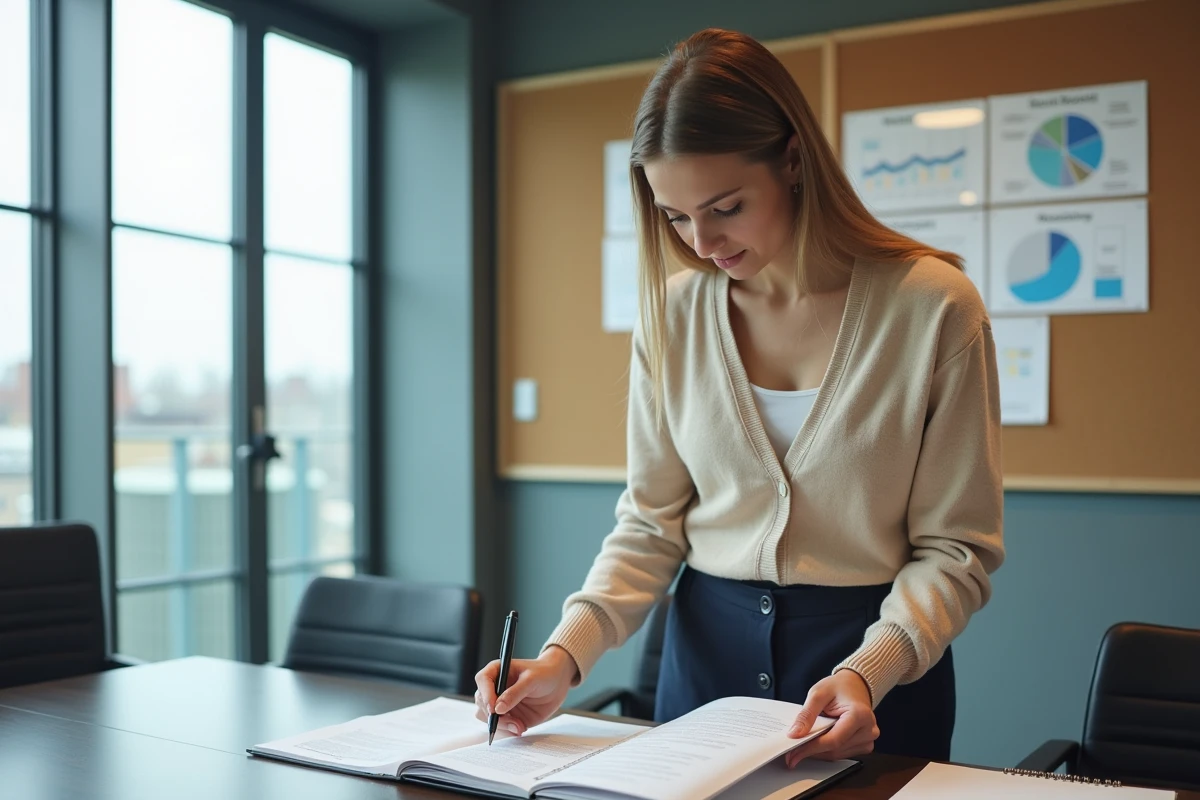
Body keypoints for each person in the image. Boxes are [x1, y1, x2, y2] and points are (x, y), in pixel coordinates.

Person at [475, 27, 1004, 766]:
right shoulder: (674, 314)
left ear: (792, 159)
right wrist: (564, 656)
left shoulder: (934, 308)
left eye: (725, 207)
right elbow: (651, 524)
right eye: (675, 216)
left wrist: (868, 670)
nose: (701, 242)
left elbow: (956, 548)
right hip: (704, 664)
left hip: (872, 673)